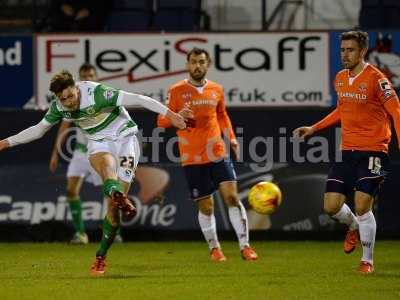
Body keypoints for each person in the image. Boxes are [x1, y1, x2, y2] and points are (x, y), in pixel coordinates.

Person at [0, 70, 186, 276]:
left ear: (76, 88)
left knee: (113, 213)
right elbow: (38, 129)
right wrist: (5, 143)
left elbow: (139, 99)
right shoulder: (59, 107)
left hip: (125, 139)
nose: (69, 102)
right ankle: (115, 209)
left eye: (71, 96)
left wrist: (171, 115)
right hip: (99, 142)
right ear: (57, 98)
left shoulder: (97, 93)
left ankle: (102, 248)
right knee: (107, 170)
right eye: (63, 99)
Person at [293, 30, 400, 274]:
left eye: (350, 50)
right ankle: (352, 226)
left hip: (374, 150)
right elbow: (342, 110)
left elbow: (396, 111)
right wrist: (314, 128)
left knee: (363, 204)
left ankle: (367, 260)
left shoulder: (377, 79)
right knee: (331, 207)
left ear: (363, 51)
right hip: (347, 150)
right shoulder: (341, 78)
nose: (345, 54)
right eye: (342, 50)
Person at [157, 47, 258, 262]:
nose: (197, 66)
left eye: (201, 62)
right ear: (187, 64)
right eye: (193, 62)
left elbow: (222, 115)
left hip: (217, 151)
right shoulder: (176, 91)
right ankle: (215, 248)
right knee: (207, 206)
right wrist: (176, 116)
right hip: (192, 157)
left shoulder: (216, 89)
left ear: (208, 64)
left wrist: (231, 139)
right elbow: (161, 121)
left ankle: (245, 246)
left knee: (231, 197)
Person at [49, 63, 123, 244]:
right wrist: (55, 153)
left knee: (110, 193)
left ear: (96, 77)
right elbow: (64, 127)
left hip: (102, 150)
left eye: (91, 75)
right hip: (81, 153)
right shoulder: (71, 100)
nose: (88, 78)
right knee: (71, 190)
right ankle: (81, 234)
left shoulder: (100, 97)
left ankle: (115, 231)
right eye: (84, 75)